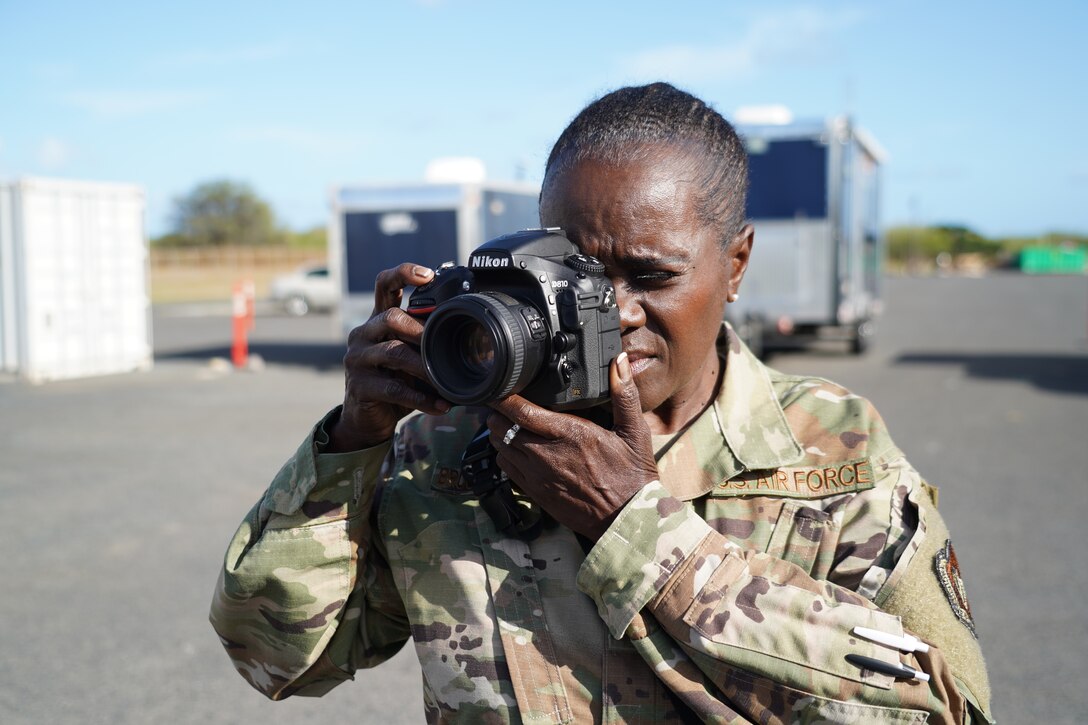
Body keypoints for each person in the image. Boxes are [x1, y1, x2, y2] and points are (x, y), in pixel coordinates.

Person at [210, 82, 993, 723]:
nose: (611, 311)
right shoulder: (451, 451)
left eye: (652, 276)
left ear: (737, 264)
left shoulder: (831, 453)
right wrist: (352, 443)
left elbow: (945, 710)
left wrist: (639, 531)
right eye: (576, 274)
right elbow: (274, 657)